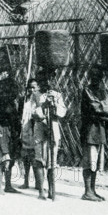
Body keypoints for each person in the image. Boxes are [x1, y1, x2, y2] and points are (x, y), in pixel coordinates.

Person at [80, 66, 108, 202]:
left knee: (95, 162)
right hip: (90, 130)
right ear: (90, 77)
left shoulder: (102, 91)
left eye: (99, 76)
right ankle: (87, 191)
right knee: (89, 161)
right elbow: (97, 107)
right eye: (94, 76)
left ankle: (92, 190)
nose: (96, 79)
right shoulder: (87, 91)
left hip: (99, 130)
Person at [32, 70, 67, 200]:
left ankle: (52, 191)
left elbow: (62, 112)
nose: (45, 83)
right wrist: (44, 106)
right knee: (40, 160)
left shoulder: (57, 95)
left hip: (53, 128)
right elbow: (33, 113)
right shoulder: (35, 95)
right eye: (42, 80)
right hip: (40, 129)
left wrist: (55, 104)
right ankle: (41, 191)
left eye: (47, 80)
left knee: (52, 162)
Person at [0, 89, 22, 195]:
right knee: (2, 161)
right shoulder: (2, 105)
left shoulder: (13, 105)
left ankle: (8, 185)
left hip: (12, 134)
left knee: (10, 161)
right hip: (3, 134)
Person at [18, 79, 40, 190]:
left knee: (36, 158)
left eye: (34, 87)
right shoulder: (23, 100)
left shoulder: (39, 99)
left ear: (37, 88)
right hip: (25, 130)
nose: (32, 90)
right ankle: (26, 181)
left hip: (35, 131)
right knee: (25, 157)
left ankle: (38, 183)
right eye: (30, 87)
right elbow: (19, 114)